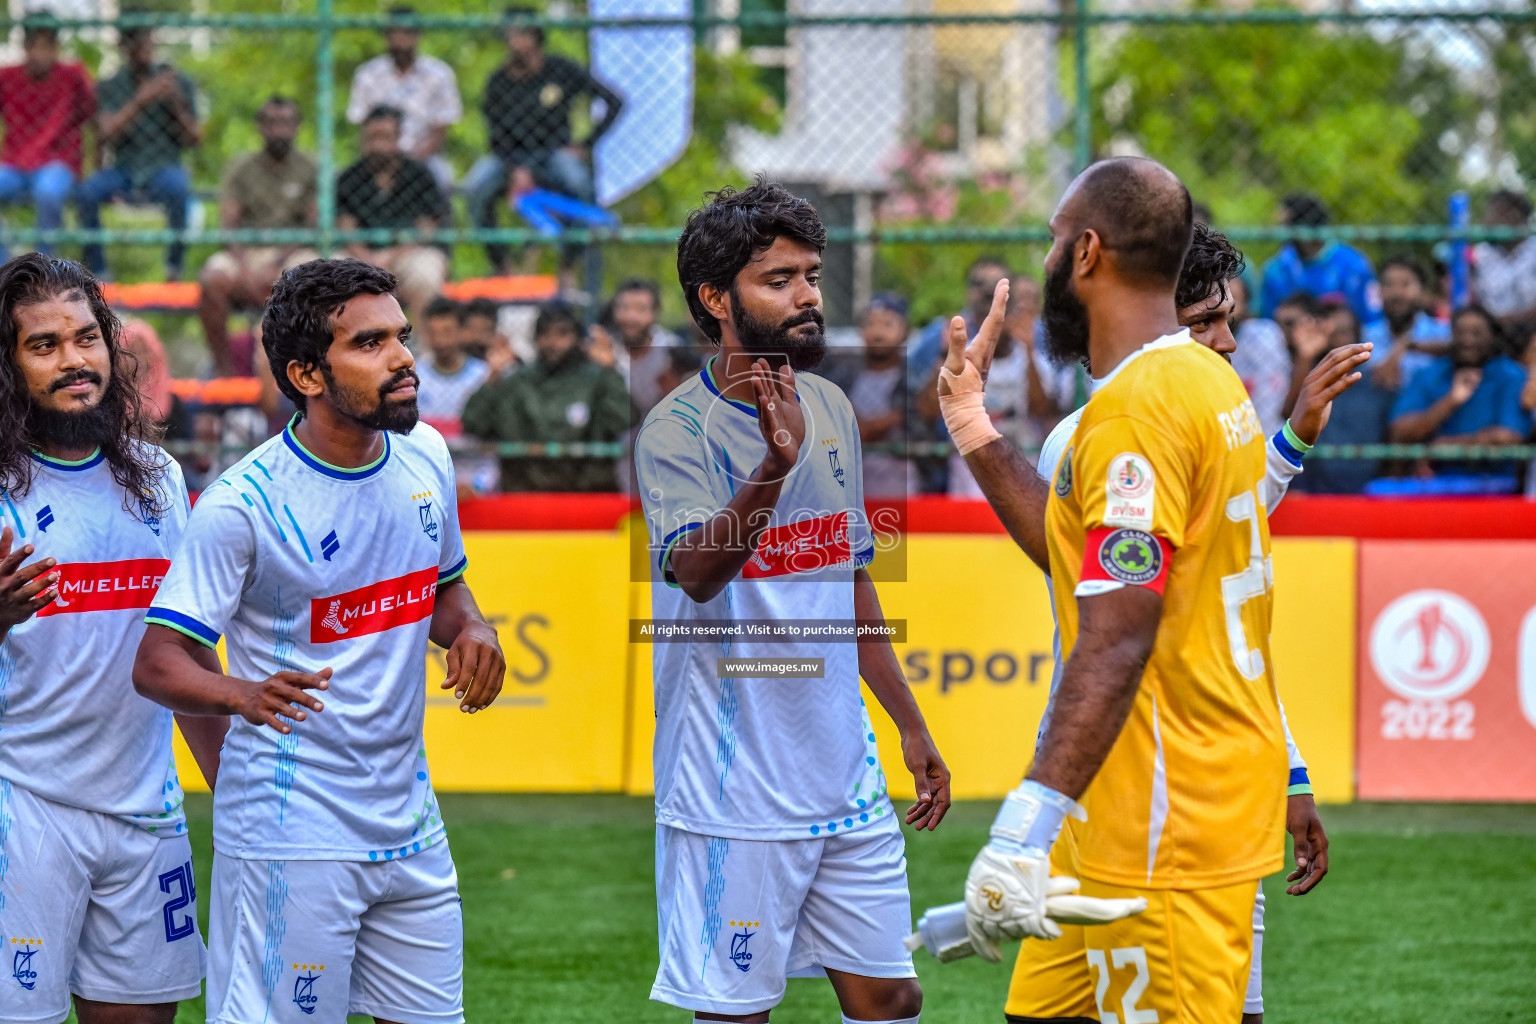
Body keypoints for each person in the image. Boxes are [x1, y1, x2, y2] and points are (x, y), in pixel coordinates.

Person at [927, 220, 1358, 1023]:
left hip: (1170, 791)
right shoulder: (1179, 409)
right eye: (1206, 323)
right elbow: (1123, 566)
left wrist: (1024, 819)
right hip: (1128, 782)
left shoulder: (1165, 409)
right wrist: (973, 421)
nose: (1225, 342)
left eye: (1227, 320)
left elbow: (1161, 611)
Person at [132, 258, 506, 1024]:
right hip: (288, 831)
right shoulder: (243, 505)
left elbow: (441, 591)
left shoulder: (426, 455)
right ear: (305, 373)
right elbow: (158, 661)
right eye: (370, 343)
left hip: (410, 822)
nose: (403, 357)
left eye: (400, 336)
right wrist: (241, 693)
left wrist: (472, 626)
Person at [634, 178, 949, 1023]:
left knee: (891, 995)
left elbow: (850, 579)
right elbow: (695, 573)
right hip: (730, 790)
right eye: (780, 280)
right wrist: (772, 469)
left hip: (843, 774)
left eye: (811, 275)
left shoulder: (832, 407)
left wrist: (909, 725)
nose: (809, 296)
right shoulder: (675, 430)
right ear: (715, 298)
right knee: (736, 1012)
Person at [0, 253, 225, 1024]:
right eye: (43, 345)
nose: (74, 361)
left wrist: (236, 791)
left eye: (86, 338)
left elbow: (187, 649)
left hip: (145, 815)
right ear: (9, 364)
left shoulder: (158, 477)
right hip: (21, 809)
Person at [467, 6, 624, 276]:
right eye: (511, 35)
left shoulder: (561, 70)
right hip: (508, 157)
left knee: (579, 182)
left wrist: (585, 144)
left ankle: (568, 265)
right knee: (475, 187)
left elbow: (614, 101)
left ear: (537, 38)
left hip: (553, 152)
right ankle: (501, 265)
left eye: (524, 34)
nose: (517, 42)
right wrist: (515, 170)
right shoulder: (498, 82)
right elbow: (496, 137)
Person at [198, 96, 319, 376]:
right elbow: (229, 225)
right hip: (247, 252)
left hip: (294, 250)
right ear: (261, 127)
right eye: (272, 123)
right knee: (212, 278)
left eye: (286, 123)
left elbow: (313, 227)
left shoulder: (311, 167)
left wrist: (278, 264)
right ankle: (224, 369)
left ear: (297, 126)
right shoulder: (240, 167)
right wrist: (243, 267)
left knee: (309, 275)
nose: (279, 130)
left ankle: (304, 367)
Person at [462, 300, 632, 491]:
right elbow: (473, 424)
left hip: (585, 496)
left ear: (577, 337)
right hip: (527, 497)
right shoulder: (517, 383)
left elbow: (623, 420)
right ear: (536, 338)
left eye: (562, 333)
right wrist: (492, 377)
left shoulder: (597, 381)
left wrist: (611, 371)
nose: (554, 342)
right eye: (546, 334)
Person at [76, 27, 200, 282]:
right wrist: (141, 100)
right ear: (124, 47)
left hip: (164, 166)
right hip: (125, 167)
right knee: (87, 191)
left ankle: (173, 269)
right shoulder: (111, 85)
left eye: (147, 40)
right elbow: (106, 133)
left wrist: (174, 101)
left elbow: (195, 139)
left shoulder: (177, 81)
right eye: (136, 42)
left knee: (179, 187)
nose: (144, 48)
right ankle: (97, 272)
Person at [1389, 304, 1533, 486]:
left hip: (1495, 485)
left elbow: (1509, 437)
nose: (1468, 340)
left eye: (1477, 333)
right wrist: (1450, 401)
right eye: (1461, 332)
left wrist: (1445, 446)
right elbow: (1400, 431)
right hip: (1433, 484)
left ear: (1492, 337)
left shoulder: (1510, 375)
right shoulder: (1431, 373)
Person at [907, 255, 1011, 492]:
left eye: (995, 285)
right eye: (979, 284)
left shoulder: (1032, 333)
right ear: (967, 291)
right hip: (950, 459)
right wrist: (944, 354)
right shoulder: (941, 334)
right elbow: (915, 402)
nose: (987, 292)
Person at [336, 105, 447, 317]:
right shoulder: (350, 177)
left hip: (408, 253)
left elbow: (426, 231)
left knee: (426, 272)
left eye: (385, 137)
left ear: (398, 138)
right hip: (358, 256)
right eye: (372, 137)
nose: (378, 145)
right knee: (328, 271)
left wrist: (390, 257)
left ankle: (425, 348)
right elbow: (346, 231)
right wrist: (368, 260)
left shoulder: (419, 175)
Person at [0, 21, 94, 259]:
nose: (39, 54)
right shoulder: (7, 77)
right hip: (15, 161)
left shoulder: (72, 76)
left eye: (46, 47)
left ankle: (43, 267)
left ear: (56, 48)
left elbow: (91, 114)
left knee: (48, 192)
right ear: (25, 48)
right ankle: (4, 270)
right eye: (33, 46)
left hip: (57, 160)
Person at [345, 4, 462, 196]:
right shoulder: (368, 74)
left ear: (417, 36)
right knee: (346, 181)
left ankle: (441, 226)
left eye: (406, 33)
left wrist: (412, 161)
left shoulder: (439, 74)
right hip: (378, 155)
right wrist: (383, 156)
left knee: (442, 179)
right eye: (393, 33)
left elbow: (440, 130)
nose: (400, 40)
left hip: (423, 156)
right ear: (385, 36)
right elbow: (363, 127)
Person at [1296, 304, 1398, 494]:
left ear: (1357, 335)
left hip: (1367, 489)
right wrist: (1305, 356)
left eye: (1345, 331)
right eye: (1333, 333)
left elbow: (1392, 434)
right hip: (1316, 488)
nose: (1340, 340)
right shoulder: (1313, 378)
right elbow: (1290, 413)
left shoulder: (1378, 382)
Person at [823, 291, 916, 497]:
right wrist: (883, 423)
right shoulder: (841, 379)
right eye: (870, 323)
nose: (877, 332)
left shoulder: (913, 380)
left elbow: (918, 423)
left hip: (903, 488)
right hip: (847, 487)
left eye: (888, 324)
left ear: (905, 331)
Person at [1258, 192, 1383, 328]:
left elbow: (1371, 316)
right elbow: (1268, 320)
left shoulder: (1352, 264)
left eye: (1285, 226)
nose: (1279, 231)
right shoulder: (1277, 268)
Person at [1366, 254, 1451, 391]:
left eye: (1405, 284)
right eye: (1389, 284)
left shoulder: (1443, 333)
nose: (1397, 293)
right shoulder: (1365, 337)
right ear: (1379, 291)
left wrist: (1410, 345)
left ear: (1422, 291)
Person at [598, 277, 681, 417]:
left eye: (641, 309)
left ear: (655, 313)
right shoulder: (604, 349)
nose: (631, 317)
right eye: (624, 308)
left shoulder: (671, 350)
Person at [1229, 276, 1292, 435]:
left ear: (1246, 306)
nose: (1224, 306)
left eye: (1233, 300)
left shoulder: (1266, 335)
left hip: (1273, 438)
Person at [416, 295, 490, 426]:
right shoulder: (416, 375)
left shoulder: (483, 375)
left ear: (463, 332)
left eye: (447, 332)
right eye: (433, 333)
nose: (439, 340)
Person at [1471, 189, 1536, 326]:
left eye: (1494, 215)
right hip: (1491, 329)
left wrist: (1514, 319)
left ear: (1514, 216)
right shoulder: (1480, 253)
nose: (1487, 222)